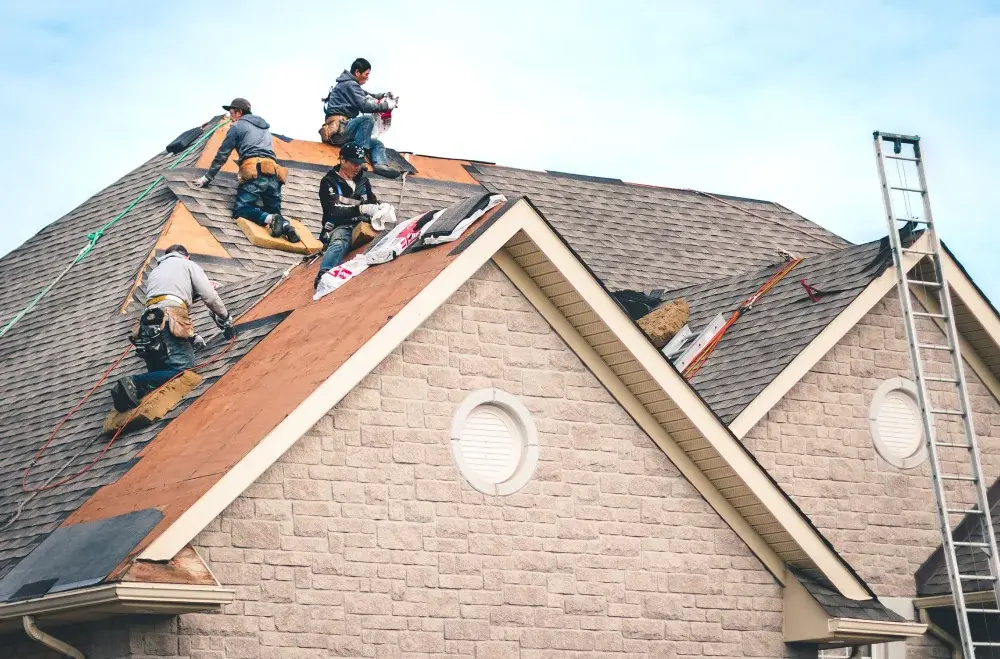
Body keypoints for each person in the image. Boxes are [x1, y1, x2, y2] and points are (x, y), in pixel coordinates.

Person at [109, 245, 234, 412]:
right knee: (184, 371)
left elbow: (164, 303)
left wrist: (191, 337)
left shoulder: (156, 272)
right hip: (170, 317)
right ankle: (135, 383)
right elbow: (210, 297)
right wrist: (225, 318)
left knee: (160, 375)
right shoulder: (187, 265)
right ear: (186, 256)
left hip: (147, 325)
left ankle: (132, 396)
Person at [194, 98, 299, 243]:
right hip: (274, 174)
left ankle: (270, 218)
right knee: (274, 210)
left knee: (241, 209)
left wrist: (207, 177)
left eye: (232, 112)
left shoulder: (237, 126)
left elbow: (222, 154)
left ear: (239, 112)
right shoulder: (265, 129)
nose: (230, 117)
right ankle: (287, 227)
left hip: (255, 172)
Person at [315, 143, 382, 287]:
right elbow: (333, 210)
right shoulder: (329, 182)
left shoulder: (363, 181)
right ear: (343, 160)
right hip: (340, 226)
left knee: (382, 240)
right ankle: (324, 275)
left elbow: (372, 201)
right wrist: (361, 209)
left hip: (363, 224)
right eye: (354, 163)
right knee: (340, 241)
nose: (357, 167)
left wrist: (381, 208)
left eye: (360, 163)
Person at [322, 58, 400, 179]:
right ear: (357, 72)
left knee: (377, 144)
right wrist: (386, 106)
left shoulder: (349, 84)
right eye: (366, 74)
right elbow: (364, 106)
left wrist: (382, 96)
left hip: (345, 130)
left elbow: (366, 94)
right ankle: (358, 157)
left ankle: (380, 165)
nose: (367, 78)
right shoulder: (350, 84)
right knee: (367, 120)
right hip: (339, 129)